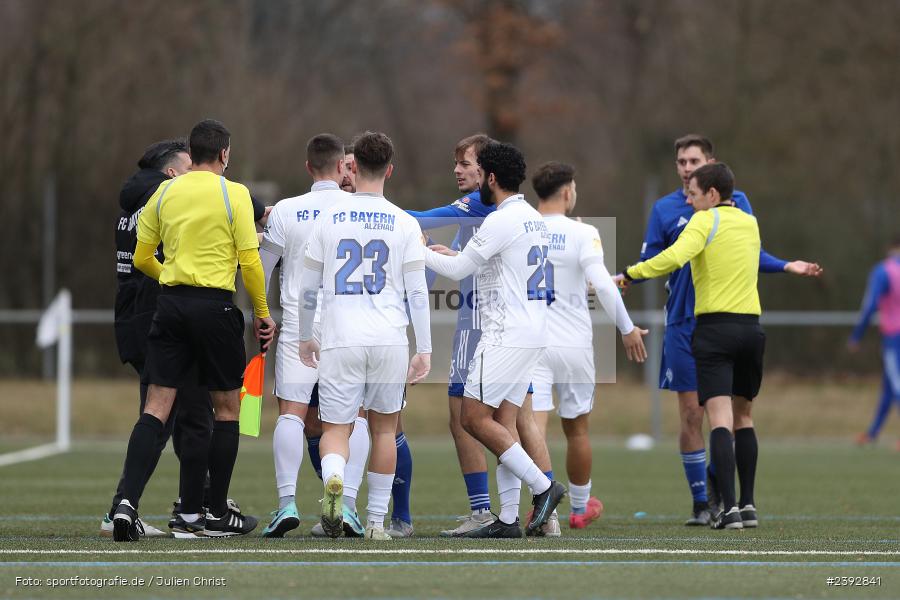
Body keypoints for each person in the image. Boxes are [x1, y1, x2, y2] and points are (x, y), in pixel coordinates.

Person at [625, 134, 822, 526]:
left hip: (712, 325)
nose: (685, 168)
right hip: (689, 322)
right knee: (693, 415)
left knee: (720, 416)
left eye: (693, 161)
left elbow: (739, 253)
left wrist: (784, 265)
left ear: (711, 177)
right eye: (680, 161)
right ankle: (707, 502)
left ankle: (723, 500)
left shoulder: (727, 209)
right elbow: (658, 258)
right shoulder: (665, 209)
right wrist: (635, 275)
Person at [111, 119, 275, 541]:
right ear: (223, 154)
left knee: (156, 406)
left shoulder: (164, 191)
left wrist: (171, 277)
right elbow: (250, 261)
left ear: (193, 152)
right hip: (215, 307)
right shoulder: (233, 193)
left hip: (169, 306)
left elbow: (144, 255)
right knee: (225, 409)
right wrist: (261, 312)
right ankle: (211, 513)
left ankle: (126, 505)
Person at [424, 141, 567, 538]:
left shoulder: (502, 218)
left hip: (506, 334)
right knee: (504, 422)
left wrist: (419, 251)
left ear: (490, 177)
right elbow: (483, 263)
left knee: (472, 418)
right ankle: (507, 520)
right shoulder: (532, 216)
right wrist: (442, 253)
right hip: (533, 333)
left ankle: (543, 487)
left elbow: (458, 270)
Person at [298, 131, 432, 540]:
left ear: (352, 167)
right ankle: (376, 522)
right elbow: (417, 292)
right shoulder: (406, 223)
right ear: (390, 169)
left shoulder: (328, 219)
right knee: (384, 431)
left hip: (342, 337)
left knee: (336, 430)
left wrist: (306, 335)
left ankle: (334, 482)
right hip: (390, 339)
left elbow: (307, 287)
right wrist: (424, 348)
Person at [621, 162, 767, 530]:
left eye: (694, 194)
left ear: (713, 195)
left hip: (715, 329)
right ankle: (748, 505)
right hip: (751, 329)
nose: (688, 199)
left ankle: (729, 509)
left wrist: (630, 274)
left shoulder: (704, 221)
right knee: (744, 418)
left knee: (719, 420)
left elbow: (672, 258)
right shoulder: (750, 222)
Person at [258, 133, 372, 538]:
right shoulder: (359, 209)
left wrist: (262, 313)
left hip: (299, 328)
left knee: (291, 413)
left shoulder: (287, 210)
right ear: (344, 166)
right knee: (353, 419)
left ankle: (286, 502)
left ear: (308, 167)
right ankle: (351, 506)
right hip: (348, 326)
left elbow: (262, 268)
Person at [529, 162, 648, 529]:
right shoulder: (583, 233)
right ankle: (579, 509)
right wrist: (626, 328)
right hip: (574, 346)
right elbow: (601, 282)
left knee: (534, 426)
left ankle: (540, 507)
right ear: (567, 193)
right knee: (576, 429)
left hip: (530, 344)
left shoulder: (521, 228)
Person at [407, 134, 498, 536]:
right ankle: (537, 506)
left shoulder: (479, 201)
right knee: (511, 418)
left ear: (486, 169)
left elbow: (420, 217)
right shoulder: (490, 212)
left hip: (478, 325)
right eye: (456, 163)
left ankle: (487, 510)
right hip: (502, 324)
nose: (457, 170)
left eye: (465, 163)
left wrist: (365, 208)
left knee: (463, 417)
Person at [103, 139, 194, 538]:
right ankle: (125, 507)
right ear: (171, 172)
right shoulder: (164, 198)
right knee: (162, 414)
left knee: (162, 412)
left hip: (130, 314)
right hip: (155, 313)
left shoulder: (131, 203)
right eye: (191, 168)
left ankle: (125, 506)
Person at [848, 236, 900, 447]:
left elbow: (870, 305)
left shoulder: (883, 271)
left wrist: (857, 335)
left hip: (894, 336)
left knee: (896, 384)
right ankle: (873, 432)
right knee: (889, 386)